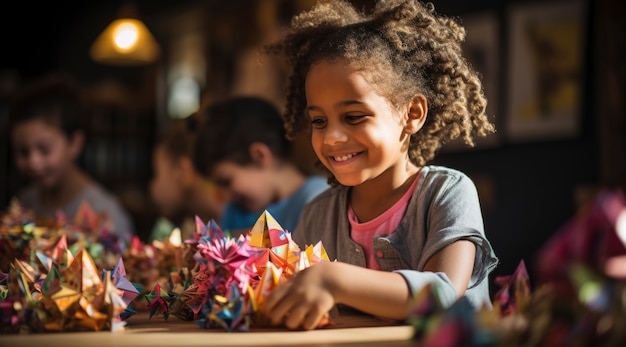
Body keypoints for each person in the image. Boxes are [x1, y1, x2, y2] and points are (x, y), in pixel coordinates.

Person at [260, 0, 499, 330]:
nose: (331, 138)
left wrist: (334, 279)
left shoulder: (448, 193)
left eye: (353, 117)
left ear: (411, 114)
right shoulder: (317, 216)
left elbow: (441, 296)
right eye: (318, 120)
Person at [8, 72, 134, 245]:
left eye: (44, 149)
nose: (33, 162)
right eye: (23, 152)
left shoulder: (105, 215)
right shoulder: (23, 204)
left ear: (75, 143)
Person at [192, 96, 330, 236]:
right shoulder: (234, 213)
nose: (226, 196)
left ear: (259, 156)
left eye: (226, 181)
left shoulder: (318, 199)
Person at [149, 119, 225, 242]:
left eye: (156, 173)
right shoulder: (196, 226)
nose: (152, 186)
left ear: (182, 171)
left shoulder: (231, 225)